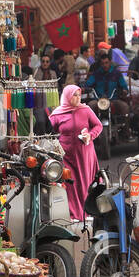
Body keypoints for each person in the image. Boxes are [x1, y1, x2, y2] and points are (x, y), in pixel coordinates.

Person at [50, 85, 102, 220]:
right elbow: (51, 130)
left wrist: (90, 135)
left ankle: (87, 209)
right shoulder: (57, 113)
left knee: (85, 181)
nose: (78, 98)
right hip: (66, 154)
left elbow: (98, 125)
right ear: (67, 96)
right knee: (70, 182)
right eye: (75, 95)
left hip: (84, 153)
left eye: (79, 95)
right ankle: (73, 212)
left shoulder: (85, 110)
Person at [32, 53, 59, 132]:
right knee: (41, 121)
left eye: (47, 62)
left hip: (50, 100)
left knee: (51, 121)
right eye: (43, 61)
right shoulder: (36, 72)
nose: (45, 63)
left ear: (49, 63)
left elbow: (55, 86)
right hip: (39, 101)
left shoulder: (53, 73)